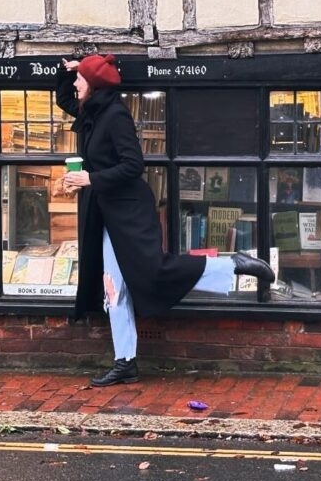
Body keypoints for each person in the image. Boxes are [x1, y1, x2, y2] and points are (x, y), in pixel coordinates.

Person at [57, 53, 275, 387]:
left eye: (80, 80)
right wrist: (70, 70)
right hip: (106, 217)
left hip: (129, 214)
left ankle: (235, 264)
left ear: (95, 85)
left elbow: (133, 166)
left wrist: (92, 180)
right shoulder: (91, 113)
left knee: (155, 271)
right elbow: (63, 98)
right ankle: (125, 362)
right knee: (113, 288)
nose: (75, 86)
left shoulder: (115, 116)